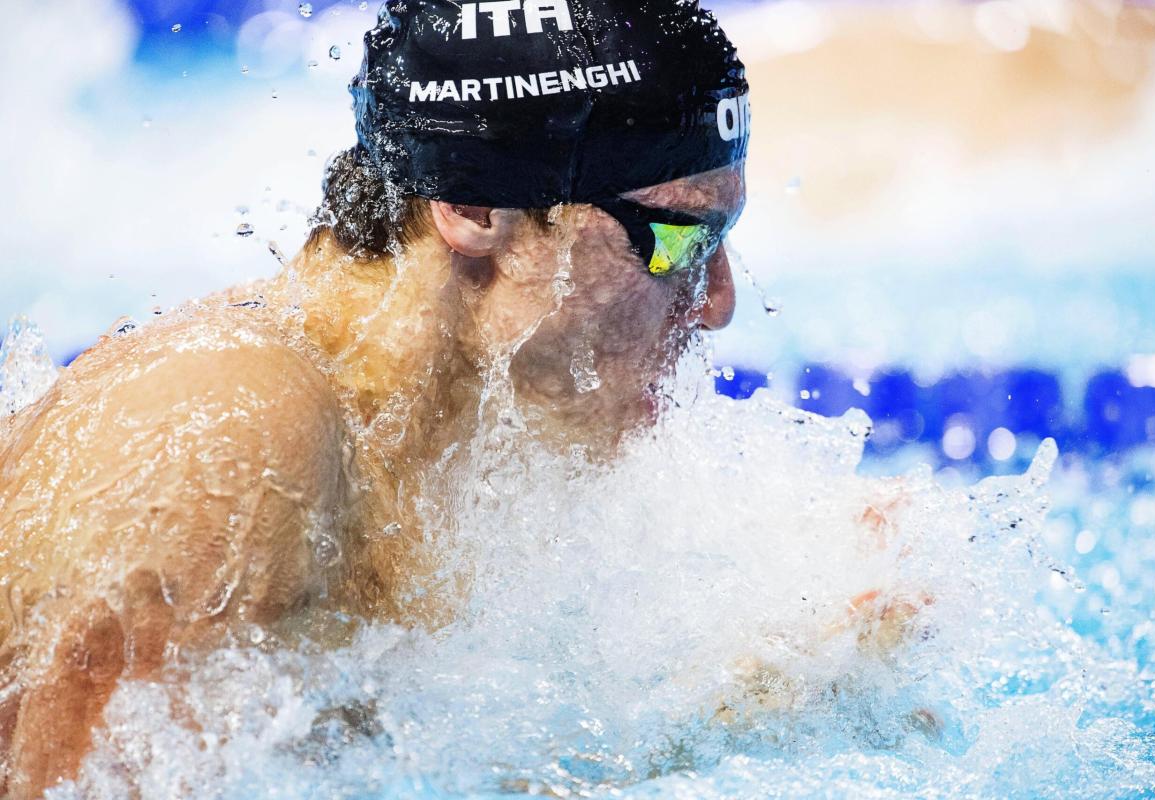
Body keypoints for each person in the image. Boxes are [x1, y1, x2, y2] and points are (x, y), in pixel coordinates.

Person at [0, 1, 918, 795]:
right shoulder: (228, 438)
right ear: (475, 210)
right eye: (678, 242)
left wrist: (743, 713)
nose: (715, 303)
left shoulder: (435, 451)